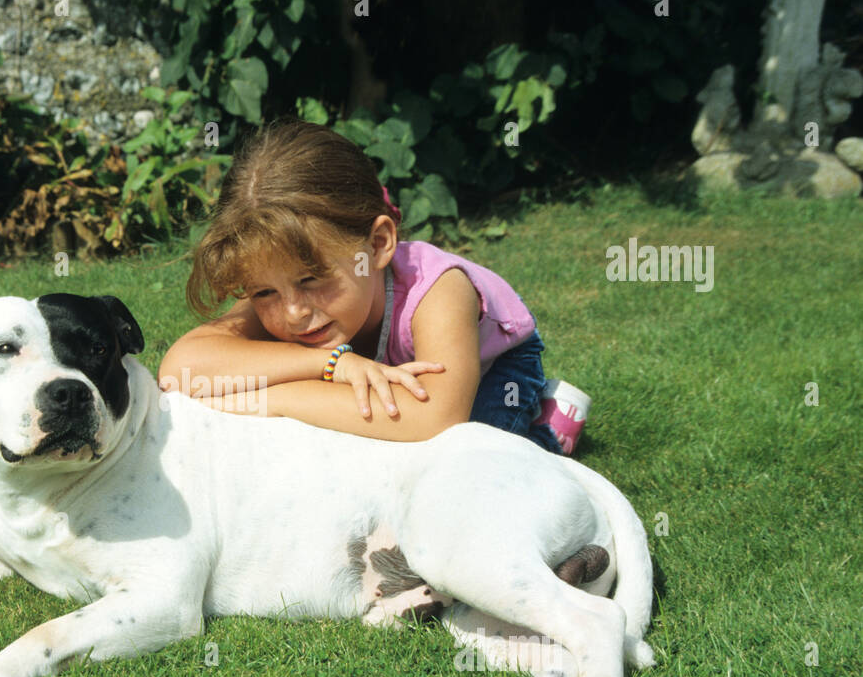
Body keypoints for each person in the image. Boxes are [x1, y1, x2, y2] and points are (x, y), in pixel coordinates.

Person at [157, 118, 587, 454]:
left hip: (494, 370)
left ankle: (546, 432)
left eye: (312, 280)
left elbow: (435, 419)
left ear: (378, 244)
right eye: (262, 293)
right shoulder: (287, 284)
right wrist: (333, 366)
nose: (293, 313)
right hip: (389, 380)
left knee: (467, 460)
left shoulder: (439, 294)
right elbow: (181, 372)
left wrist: (275, 400)